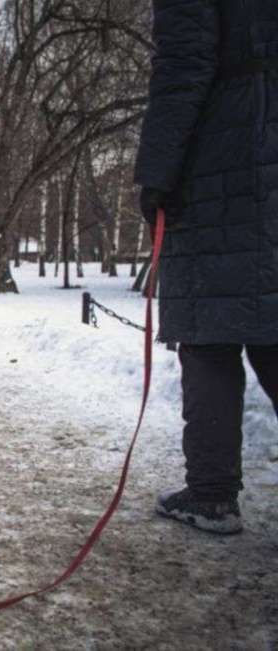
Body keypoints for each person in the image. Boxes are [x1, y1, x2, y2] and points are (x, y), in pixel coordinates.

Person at [135, 0, 278, 534]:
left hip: (226, 159)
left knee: (211, 330)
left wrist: (157, 174)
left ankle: (212, 494)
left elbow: (183, 67)